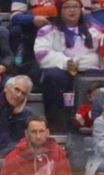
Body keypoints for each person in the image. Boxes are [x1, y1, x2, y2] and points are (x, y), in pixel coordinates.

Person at [34, 0, 103, 133]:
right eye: (67, 7)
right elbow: (41, 54)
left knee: (94, 79)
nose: (72, 10)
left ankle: (88, 122)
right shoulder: (48, 30)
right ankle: (57, 125)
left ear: (81, 9)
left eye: (75, 6)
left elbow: (98, 55)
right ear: (60, 10)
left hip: (87, 72)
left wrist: (80, 63)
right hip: (61, 73)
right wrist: (66, 62)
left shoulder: (94, 30)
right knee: (53, 76)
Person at [0, 115, 72, 175]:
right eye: (33, 132)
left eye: (41, 131)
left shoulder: (58, 154)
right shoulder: (14, 157)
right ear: (26, 134)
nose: (38, 136)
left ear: (47, 132)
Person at [0, 75, 34, 158]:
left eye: (23, 93)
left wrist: (18, 116)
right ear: (6, 88)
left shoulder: (26, 113)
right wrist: (17, 149)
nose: (18, 95)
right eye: (17, 89)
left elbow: (22, 137)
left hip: (15, 153)